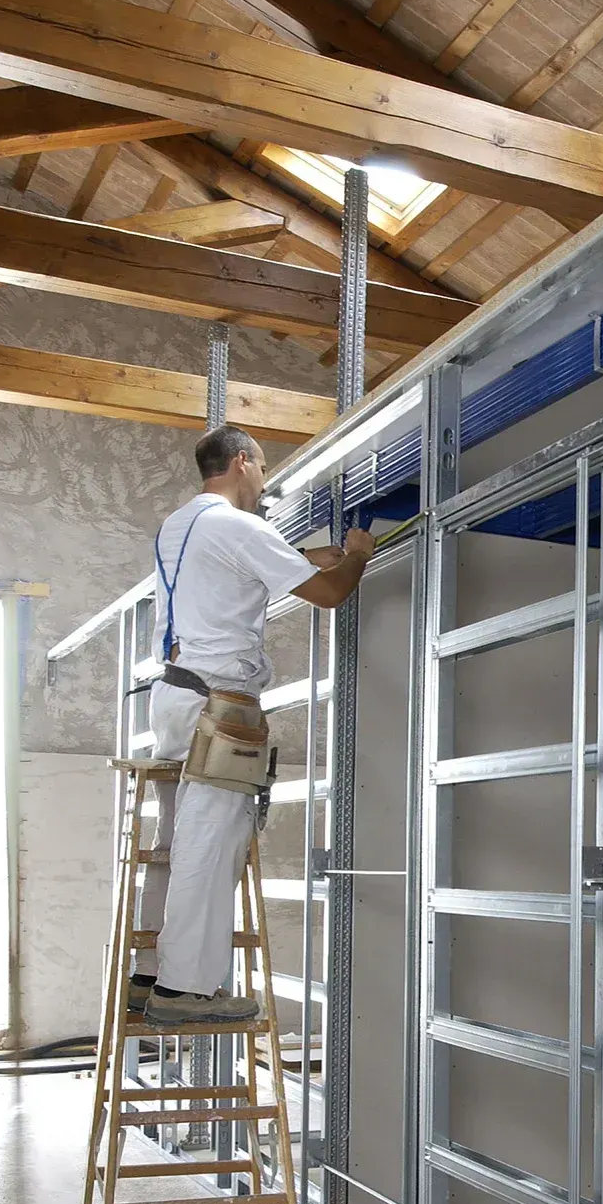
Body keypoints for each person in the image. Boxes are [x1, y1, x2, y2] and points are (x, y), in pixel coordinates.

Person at [132, 425, 374, 1026]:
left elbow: (271, 566)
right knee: (208, 844)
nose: (264, 483)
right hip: (218, 704)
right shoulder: (238, 526)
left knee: (173, 842)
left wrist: (318, 555)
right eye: (263, 470)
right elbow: (329, 594)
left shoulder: (181, 525)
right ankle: (185, 991)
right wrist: (360, 558)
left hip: (176, 695)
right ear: (243, 462)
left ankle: (146, 976)